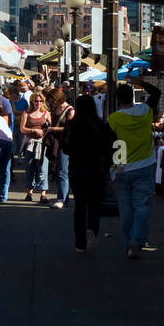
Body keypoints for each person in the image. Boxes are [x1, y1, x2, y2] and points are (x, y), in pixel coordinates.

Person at [107, 77, 161, 258]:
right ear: (133, 96)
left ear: (117, 99)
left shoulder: (114, 119)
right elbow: (157, 93)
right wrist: (141, 82)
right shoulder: (145, 111)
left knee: (126, 208)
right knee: (142, 206)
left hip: (122, 166)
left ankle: (130, 240)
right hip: (145, 164)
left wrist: (112, 172)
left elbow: (111, 145)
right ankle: (136, 240)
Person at [63, 93, 115, 251]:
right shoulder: (101, 126)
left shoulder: (71, 125)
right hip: (96, 168)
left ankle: (79, 243)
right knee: (94, 204)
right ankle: (92, 229)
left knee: (79, 205)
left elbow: (65, 148)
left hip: (76, 168)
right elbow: (111, 146)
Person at [18, 90, 51, 204]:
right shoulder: (26, 113)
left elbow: (50, 129)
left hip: (42, 144)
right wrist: (33, 130)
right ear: (32, 101)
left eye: (41, 101)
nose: (38, 103)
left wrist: (44, 131)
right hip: (30, 144)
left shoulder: (46, 113)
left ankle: (43, 194)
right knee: (29, 169)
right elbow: (22, 129)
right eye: (36, 101)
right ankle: (29, 192)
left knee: (42, 169)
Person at [44, 89, 75, 208]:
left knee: (62, 171)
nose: (50, 102)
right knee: (57, 170)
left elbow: (70, 128)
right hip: (55, 142)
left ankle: (61, 199)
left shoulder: (70, 110)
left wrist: (53, 129)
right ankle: (64, 198)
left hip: (65, 143)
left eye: (52, 99)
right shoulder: (55, 108)